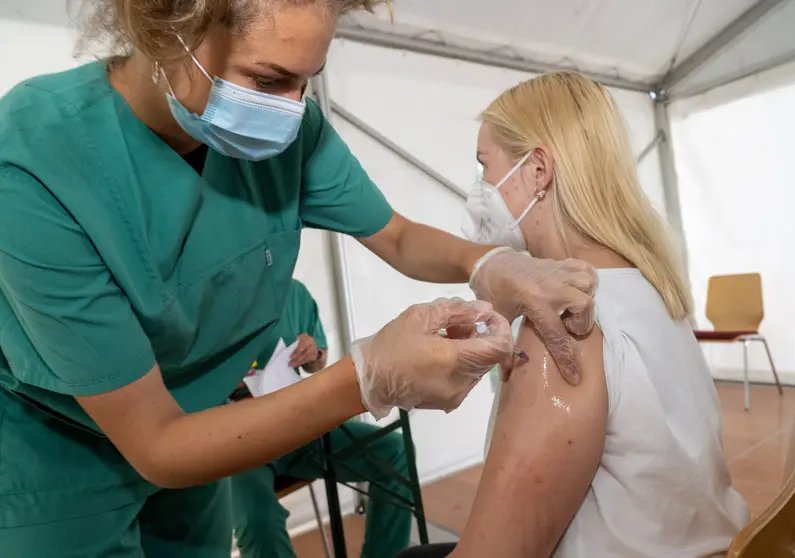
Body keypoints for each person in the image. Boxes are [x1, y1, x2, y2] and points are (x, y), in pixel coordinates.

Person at [0, 1, 599, 556]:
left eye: (308, 78)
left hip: (212, 427)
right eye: (269, 80)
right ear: (168, 30)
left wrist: (488, 263)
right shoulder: (36, 163)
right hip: (60, 454)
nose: (292, 107)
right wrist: (367, 377)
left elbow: (393, 234)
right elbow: (156, 443)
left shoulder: (290, 130)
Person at [399, 72, 750, 558]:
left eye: (485, 167)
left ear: (538, 169)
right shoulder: (650, 282)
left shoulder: (561, 320)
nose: (480, 188)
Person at [230, 279, 412, 558]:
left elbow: (319, 362)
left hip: (299, 425)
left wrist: (312, 351)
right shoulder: (207, 301)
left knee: (393, 452)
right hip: (239, 441)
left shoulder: (293, 291)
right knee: (258, 520)